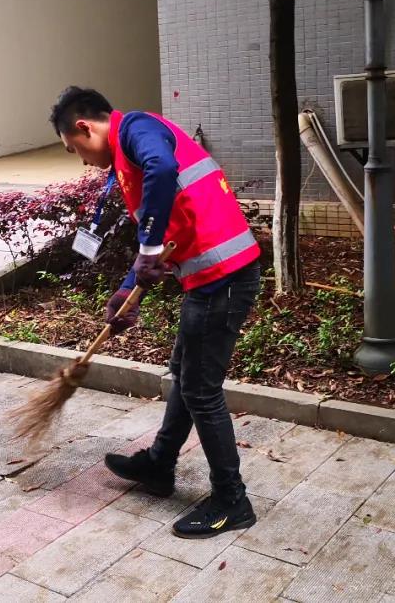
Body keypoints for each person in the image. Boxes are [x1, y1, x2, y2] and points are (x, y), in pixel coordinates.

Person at [49, 86, 263, 539]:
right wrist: (128, 291)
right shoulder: (128, 153)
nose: (82, 161)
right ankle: (159, 465)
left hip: (225, 280)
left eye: (75, 149)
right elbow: (161, 233)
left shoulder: (138, 129)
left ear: (85, 127)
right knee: (185, 374)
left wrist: (147, 250)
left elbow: (163, 170)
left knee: (201, 390)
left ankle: (232, 500)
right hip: (210, 280)